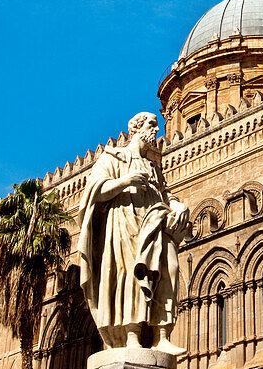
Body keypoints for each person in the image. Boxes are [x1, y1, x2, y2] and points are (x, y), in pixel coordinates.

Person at [78, 111, 190, 353]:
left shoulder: (153, 165)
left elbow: (164, 193)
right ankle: (132, 336)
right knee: (131, 276)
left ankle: (162, 336)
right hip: (124, 224)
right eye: (152, 125)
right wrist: (125, 182)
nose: (158, 130)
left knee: (168, 271)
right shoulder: (114, 157)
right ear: (137, 128)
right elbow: (94, 190)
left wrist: (178, 204)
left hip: (154, 223)